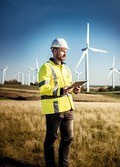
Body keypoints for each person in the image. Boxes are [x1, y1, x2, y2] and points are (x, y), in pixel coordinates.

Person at [38, 38, 81, 167]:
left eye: (66, 51)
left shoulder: (66, 68)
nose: (65, 54)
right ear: (54, 50)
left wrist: (75, 90)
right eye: (62, 51)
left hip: (68, 109)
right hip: (53, 110)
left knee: (68, 139)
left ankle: (64, 165)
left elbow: (68, 88)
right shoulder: (46, 67)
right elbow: (43, 88)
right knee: (51, 140)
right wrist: (62, 90)